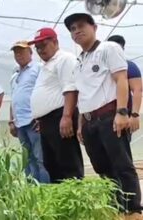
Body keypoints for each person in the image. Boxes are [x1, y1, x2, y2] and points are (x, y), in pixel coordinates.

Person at [64, 13, 142, 217]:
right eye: (72, 29)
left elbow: (121, 80)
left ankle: (133, 209)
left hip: (109, 116)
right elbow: (83, 94)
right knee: (102, 167)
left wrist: (123, 112)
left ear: (94, 27)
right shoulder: (79, 60)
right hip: (89, 121)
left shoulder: (108, 49)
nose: (76, 31)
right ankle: (116, 205)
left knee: (122, 163)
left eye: (81, 26)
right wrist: (81, 124)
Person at [29, 28, 84, 183]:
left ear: (55, 42)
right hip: (47, 121)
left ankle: (75, 199)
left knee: (67, 162)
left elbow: (70, 89)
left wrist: (66, 117)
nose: (40, 50)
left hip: (60, 116)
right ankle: (61, 200)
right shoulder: (45, 65)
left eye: (43, 45)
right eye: (37, 47)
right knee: (51, 163)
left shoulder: (64, 59)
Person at [9, 40, 50, 183]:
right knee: (27, 159)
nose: (18, 54)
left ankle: (45, 190)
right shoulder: (15, 75)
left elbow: (44, 92)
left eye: (21, 51)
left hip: (33, 121)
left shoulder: (38, 68)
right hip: (20, 123)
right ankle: (31, 191)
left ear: (30, 53)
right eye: (15, 52)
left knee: (40, 158)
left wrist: (41, 117)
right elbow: (13, 98)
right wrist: (11, 121)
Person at [107, 35, 142, 135]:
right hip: (102, 116)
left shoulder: (129, 66)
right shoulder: (103, 68)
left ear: (122, 49)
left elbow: (137, 90)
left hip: (123, 115)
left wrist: (135, 115)